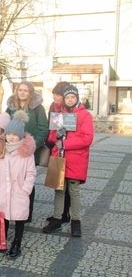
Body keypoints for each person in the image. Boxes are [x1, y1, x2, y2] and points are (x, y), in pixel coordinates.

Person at [42, 85, 94, 237]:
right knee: (58, 190)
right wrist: (57, 135)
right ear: (64, 99)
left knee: (74, 191)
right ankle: (57, 219)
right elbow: (51, 137)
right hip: (60, 157)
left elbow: (87, 139)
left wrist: (65, 143)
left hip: (76, 159)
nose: (70, 100)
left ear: (77, 98)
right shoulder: (59, 114)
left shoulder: (85, 115)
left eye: (73, 97)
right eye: (67, 97)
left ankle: (76, 222)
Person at [0, 110, 37, 258]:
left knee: (19, 217)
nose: (11, 137)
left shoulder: (26, 153)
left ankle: (17, 243)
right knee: (3, 216)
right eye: (9, 134)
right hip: (3, 190)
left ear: (20, 136)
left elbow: (31, 173)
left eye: (15, 134)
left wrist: (26, 189)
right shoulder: (1, 150)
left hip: (19, 191)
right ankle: (0, 241)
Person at [5, 81, 48, 223]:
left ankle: (27, 212)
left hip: (29, 150)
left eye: (25, 90)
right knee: (13, 179)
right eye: (20, 90)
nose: (22, 93)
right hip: (12, 148)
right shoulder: (11, 107)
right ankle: (13, 209)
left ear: (30, 93)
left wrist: (33, 145)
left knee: (27, 180)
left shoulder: (37, 108)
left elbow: (43, 129)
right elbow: (4, 124)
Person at [46, 82, 71, 223]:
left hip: (67, 149)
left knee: (66, 183)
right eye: (54, 94)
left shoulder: (68, 109)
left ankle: (65, 214)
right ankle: (59, 213)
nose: (55, 97)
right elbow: (52, 127)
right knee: (57, 182)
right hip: (55, 146)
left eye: (58, 95)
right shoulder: (52, 107)